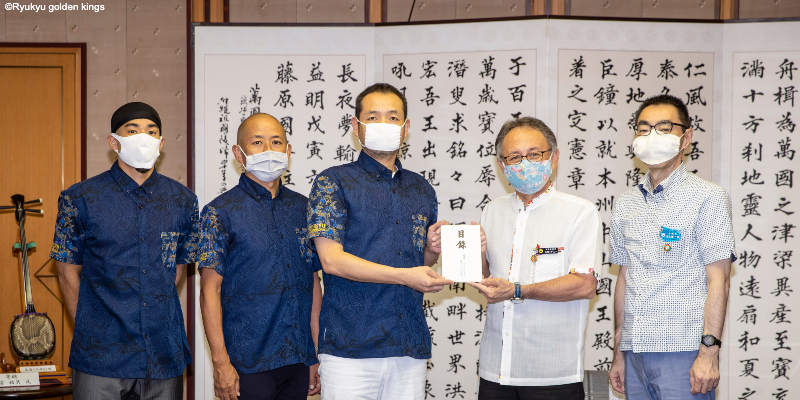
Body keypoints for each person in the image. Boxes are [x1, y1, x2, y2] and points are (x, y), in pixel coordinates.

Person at [306, 83, 453, 399]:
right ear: (355, 125)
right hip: (349, 347)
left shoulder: (421, 189)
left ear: (406, 127)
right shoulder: (333, 181)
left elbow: (419, 264)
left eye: (392, 117)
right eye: (373, 117)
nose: (383, 124)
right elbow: (331, 260)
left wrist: (431, 249)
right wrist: (405, 276)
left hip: (408, 344)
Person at [51, 102, 199, 399]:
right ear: (113, 141)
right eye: (132, 130)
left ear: (161, 143)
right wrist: (92, 330)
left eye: (151, 131)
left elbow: (176, 270)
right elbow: (67, 273)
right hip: (100, 355)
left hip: (162, 355)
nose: (143, 137)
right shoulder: (80, 198)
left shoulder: (183, 201)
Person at [608, 94, 734, 399]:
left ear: (686, 138)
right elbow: (624, 278)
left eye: (664, 129)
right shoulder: (625, 203)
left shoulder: (708, 197)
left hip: (684, 353)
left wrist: (709, 353)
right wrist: (619, 352)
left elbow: (719, 280)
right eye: (644, 129)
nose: (653, 137)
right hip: (634, 352)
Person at [469, 117, 602, 400]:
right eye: (515, 157)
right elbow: (488, 281)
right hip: (495, 369)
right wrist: (475, 253)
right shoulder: (492, 211)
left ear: (554, 157)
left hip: (552, 373)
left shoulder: (580, 212)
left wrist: (518, 290)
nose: (525, 164)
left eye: (534, 154)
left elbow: (585, 284)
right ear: (502, 165)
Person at [198, 113, 322, 400]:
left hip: (298, 359)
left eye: (276, 142)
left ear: (288, 150)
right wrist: (220, 363)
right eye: (257, 142)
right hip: (247, 363)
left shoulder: (304, 208)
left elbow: (313, 282)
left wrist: (315, 353)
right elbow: (209, 290)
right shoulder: (219, 212)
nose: (268, 149)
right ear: (238, 153)